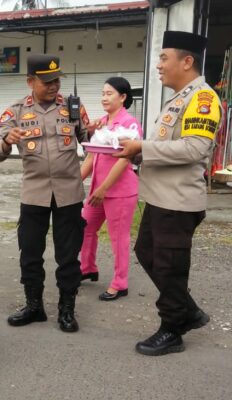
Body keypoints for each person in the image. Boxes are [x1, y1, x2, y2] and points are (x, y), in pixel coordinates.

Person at [114, 31, 220, 356]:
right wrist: (138, 153)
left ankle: (173, 329)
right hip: (160, 198)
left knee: (171, 266)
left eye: (164, 58)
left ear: (187, 62)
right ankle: (188, 311)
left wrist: (141, 147)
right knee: (148, 254)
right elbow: (168, 146)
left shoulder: (202, 99)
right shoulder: (178, 98)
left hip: (177, 201)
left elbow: (195, 148)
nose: (158, 65)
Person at [0, 54, 89, 333]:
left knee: (68, 257)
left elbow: (90, 141)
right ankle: (34, 307)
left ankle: (67, 311)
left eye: (56, 80)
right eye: (46, 81)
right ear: (30, 81)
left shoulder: (73, 107)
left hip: (69, 195)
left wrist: (96, 134)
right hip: (34, 196)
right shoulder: (17, 111)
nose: (53, 86)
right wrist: (7, 141)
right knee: (30, 253)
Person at [79, 77, 140, 301]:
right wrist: (76, 181)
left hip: (119, 192)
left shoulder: (130, 124)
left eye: (109, 93)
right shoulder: (102, 122)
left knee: (118, 237)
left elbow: (126, 160)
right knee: (84, 227)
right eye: (103, 93)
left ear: (123, 97)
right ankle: (87, 268)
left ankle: (120, 283)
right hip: (98, 190)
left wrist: (104, 188)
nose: (104, 97)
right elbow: (92, 156)